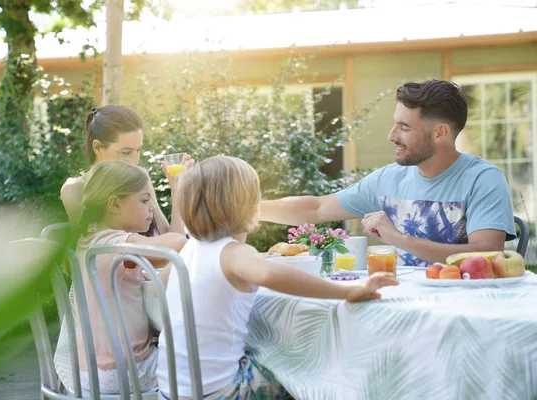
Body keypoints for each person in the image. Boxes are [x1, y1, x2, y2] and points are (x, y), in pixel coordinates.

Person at [155, 156, 398, 399]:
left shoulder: (189, 251)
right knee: (305, 372)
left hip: (172, 391)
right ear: (247, 207)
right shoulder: (233, 253)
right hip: (222, 392)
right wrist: (346, 292)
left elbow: (162, 284)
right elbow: (269, 273)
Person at [259, 79, 516, 267]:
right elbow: (315, 208)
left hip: (461, 309)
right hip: (399, 307)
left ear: (440, 133)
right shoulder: (389, 179)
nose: (392, 136)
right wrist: (248, 209)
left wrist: (399, 238)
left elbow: (487, 254)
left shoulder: (483, 179)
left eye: (404, 127)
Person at [74, 160, 187, 394]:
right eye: (145, 201)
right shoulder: (114, 242)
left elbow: (160, 258)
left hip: (91, 373)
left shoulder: (91, 241)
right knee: (202, 359)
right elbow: (175, 245)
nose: (152, 209)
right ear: (115, 204)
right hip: (129, 372)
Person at [60, 105, 191, 235]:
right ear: (98, 147)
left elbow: (171, 238)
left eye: (138, 150)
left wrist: (177, 191)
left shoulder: (140, 176)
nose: (135, 161)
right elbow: (87, 250)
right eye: (126, 152)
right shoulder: (75, 189)